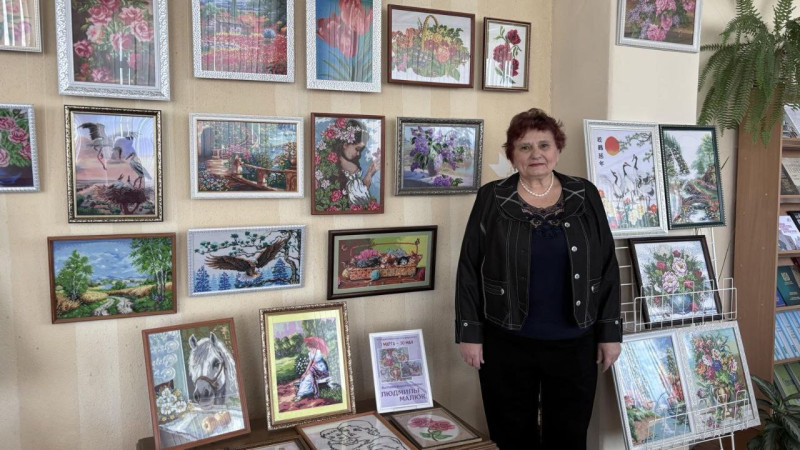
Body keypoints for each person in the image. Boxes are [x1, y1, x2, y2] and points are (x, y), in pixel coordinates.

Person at [455, 108, 622, 449]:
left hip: (576, 340)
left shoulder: (585, 193)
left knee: (569, 436)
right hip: (506, 340)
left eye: (544, 145)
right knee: (511, 435)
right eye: (525, 147)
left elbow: (607, 264)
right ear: (512, 155)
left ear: (557, 150)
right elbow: (469, 267)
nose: (536, 154)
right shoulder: (492, 197)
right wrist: (469, 332)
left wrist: (610, 332)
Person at [332, 119, 379, 207]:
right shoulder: (349, 169)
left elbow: (359, 196)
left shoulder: (350, 170)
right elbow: (361, 200)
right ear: (345, 145)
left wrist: (369, 173)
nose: (358, 154)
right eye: (357, 149)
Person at [294, 337, 330, 402]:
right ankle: (300, 394)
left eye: (308, 347)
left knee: (309, 374)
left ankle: (300, 395)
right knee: (306, 378)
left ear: (311, 346)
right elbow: (310, 363)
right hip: (313, 369)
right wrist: (305, 372)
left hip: (321, 369)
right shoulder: (310, 353)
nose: (308, 348)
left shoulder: (318, 352)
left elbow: (314, 363)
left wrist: (308, 372)